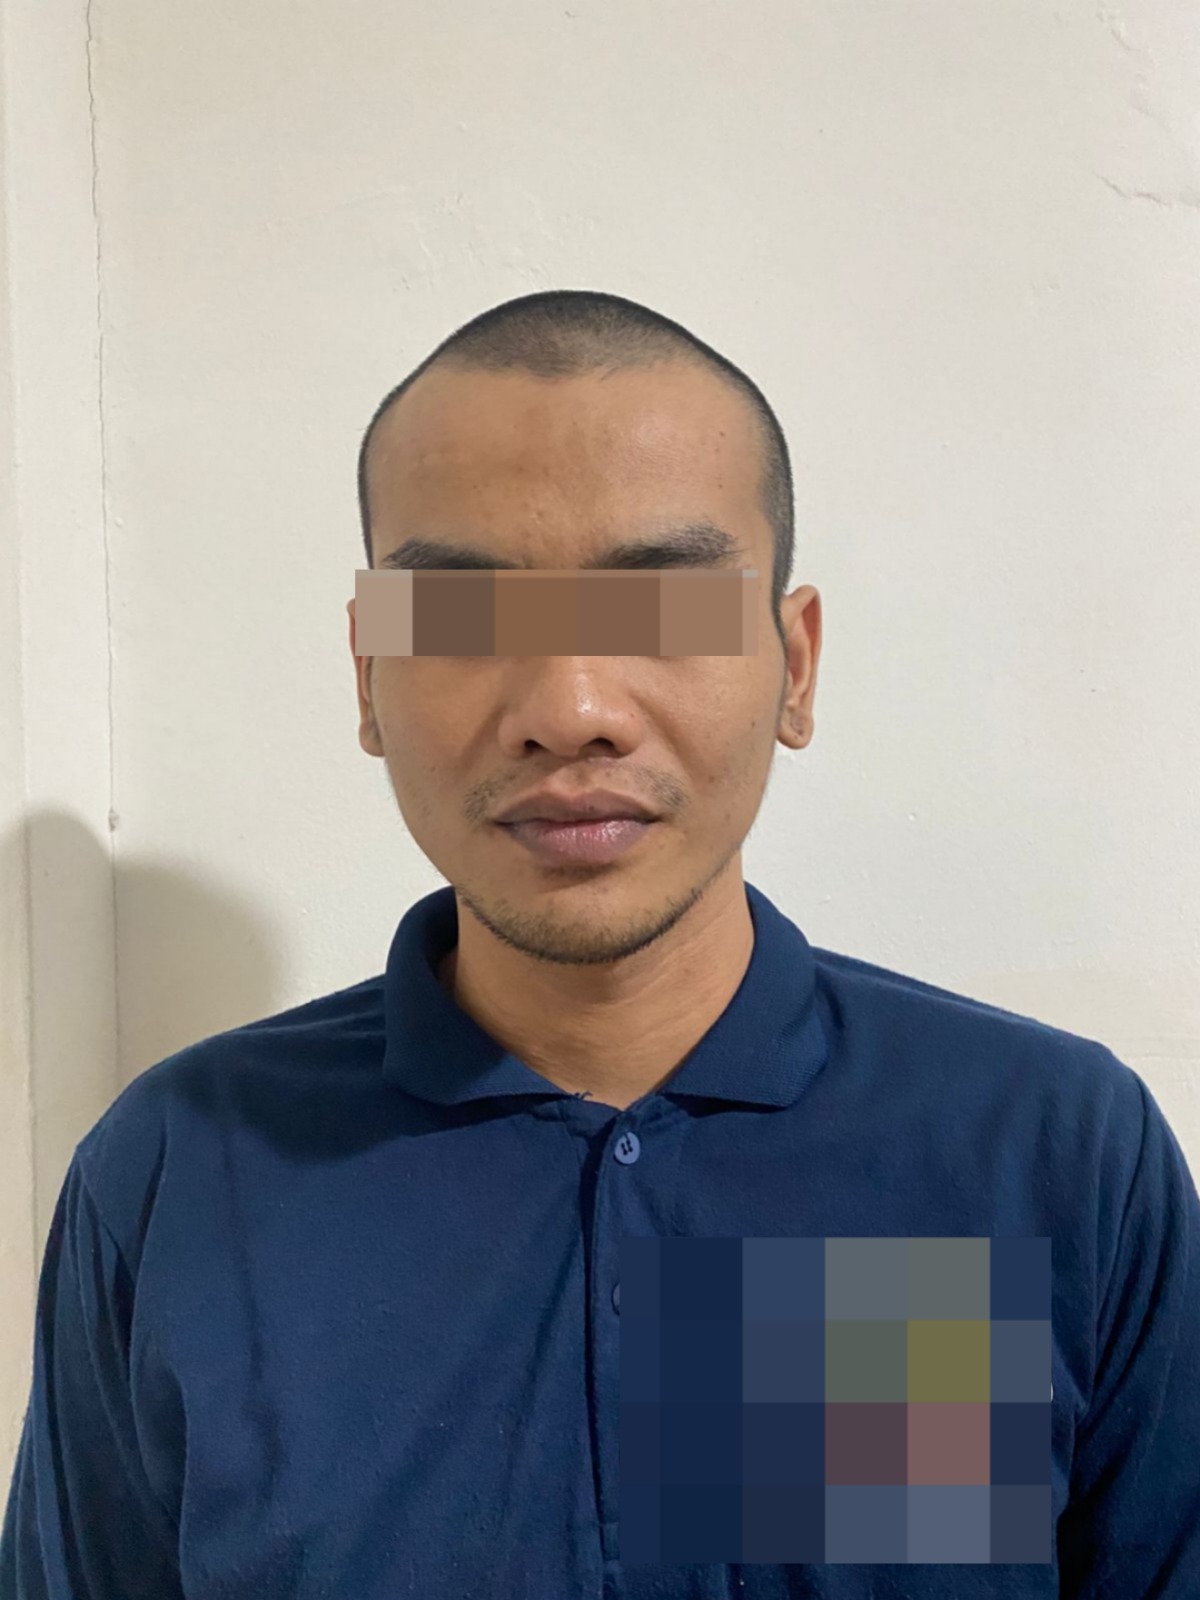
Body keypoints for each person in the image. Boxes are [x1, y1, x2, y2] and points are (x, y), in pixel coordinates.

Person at [2, 289, 1198, 1598]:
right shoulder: (180, 1174)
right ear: (366, 675)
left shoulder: (1043, 1150)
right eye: (460, 619)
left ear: (795, 664)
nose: (571, 709)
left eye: (665, 609)